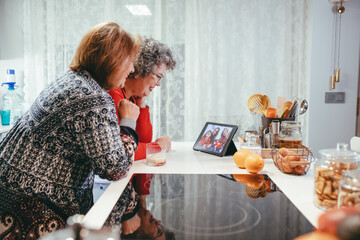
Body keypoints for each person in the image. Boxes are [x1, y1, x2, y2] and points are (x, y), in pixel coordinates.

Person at [0, 22, 141, 239]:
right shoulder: (92, 98)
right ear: (113, 59)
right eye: (130, 62)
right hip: (34, 205)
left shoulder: (73, 81)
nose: (132, 69)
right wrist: (129, 122)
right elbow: (114, 168)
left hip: (11, 192)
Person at [107, 37, 176, 205]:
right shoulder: (114, 96)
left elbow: (141, 141)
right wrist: (158, 148)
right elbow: (127, 153)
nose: (158, 84)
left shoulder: (128, 98)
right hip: (111, 191)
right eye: (158, 77)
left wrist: (142, 103)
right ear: (141, 69)